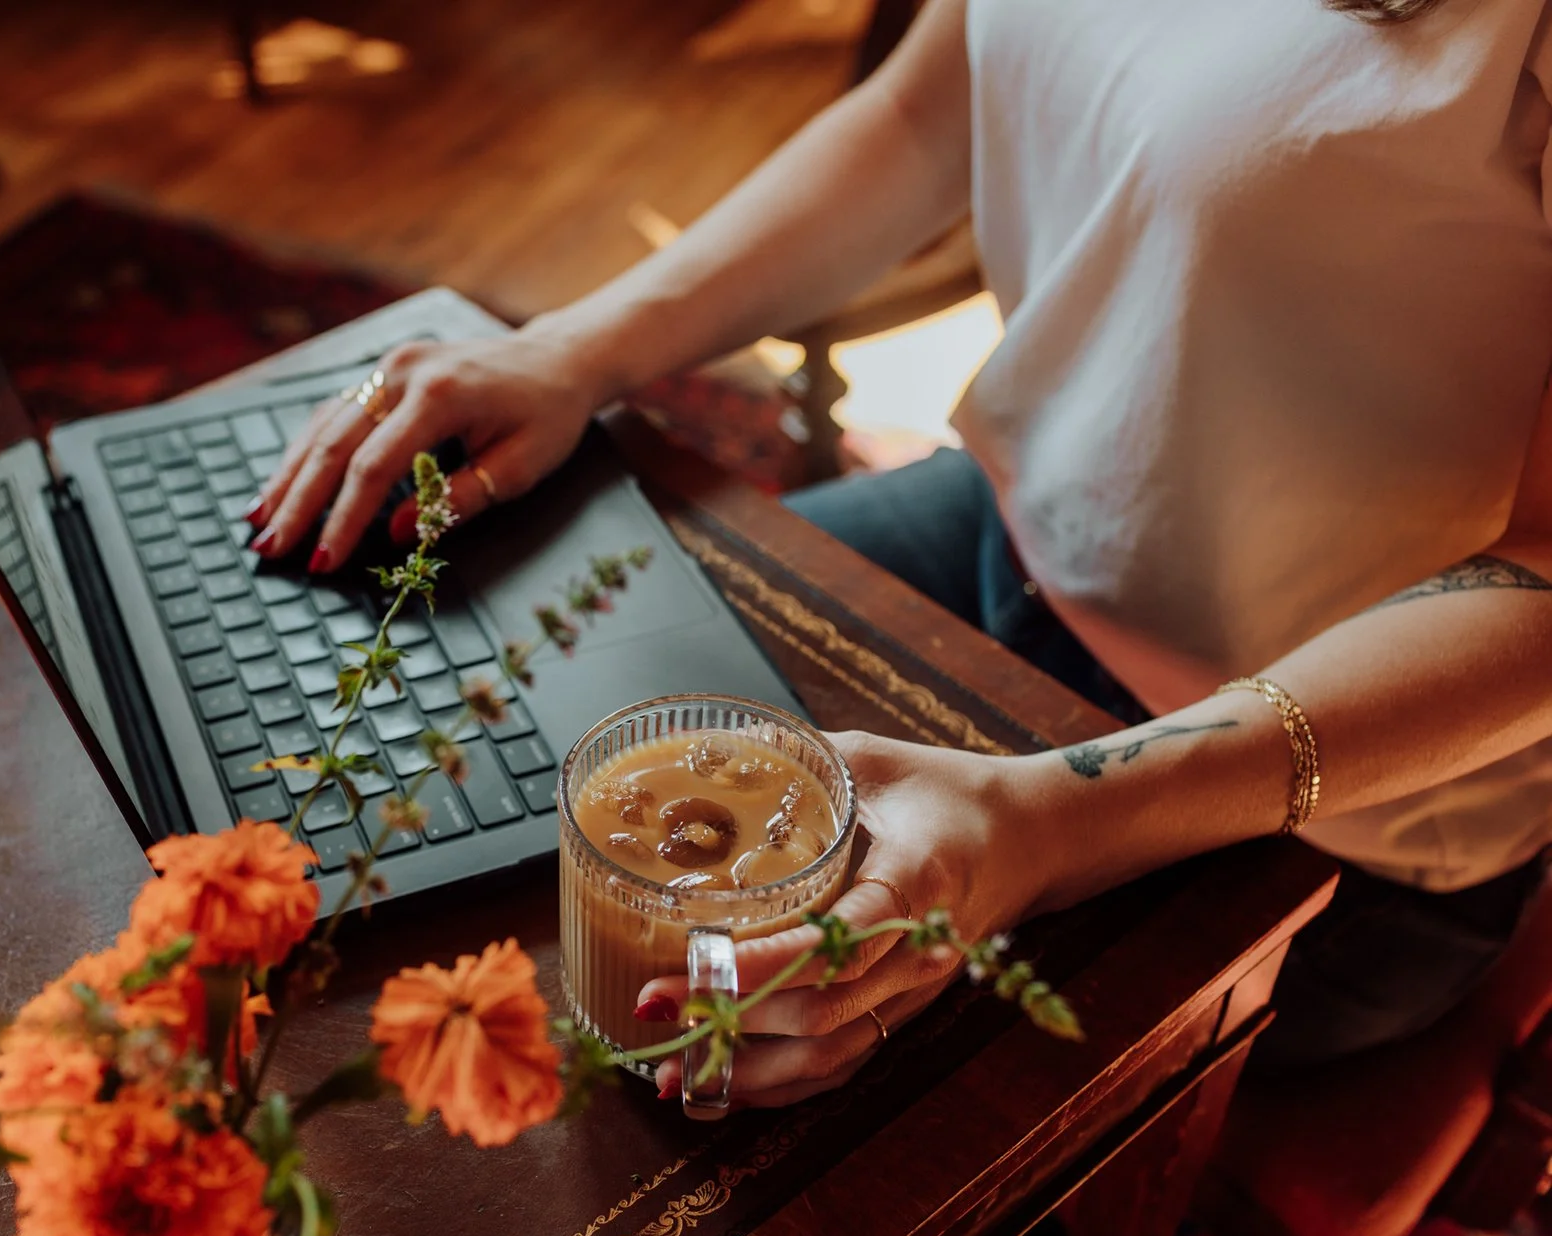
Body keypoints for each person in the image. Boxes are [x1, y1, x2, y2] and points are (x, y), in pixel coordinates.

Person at [247, 0, 1552, 1107]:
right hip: (1012, 531)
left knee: (751, 1108)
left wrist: (1052, 820)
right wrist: (570, 352)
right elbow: (926, 111)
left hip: (1333, 797)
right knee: (496, 777)